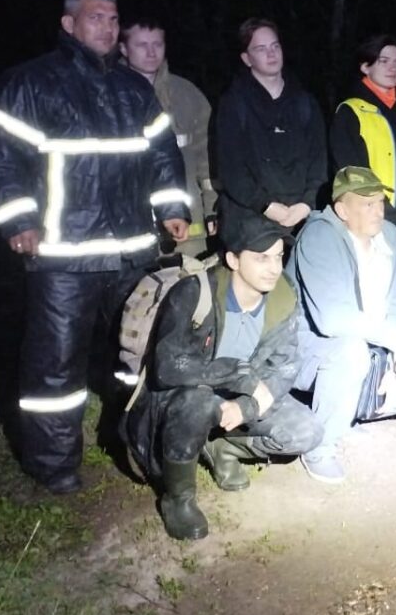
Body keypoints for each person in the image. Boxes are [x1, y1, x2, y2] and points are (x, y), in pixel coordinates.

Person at [0, 0, 190, 494]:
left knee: (135, 354)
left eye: (114, 18)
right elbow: (1, 159)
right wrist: (18, 222)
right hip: (63, 257)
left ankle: (130, 439)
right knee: (54, 367)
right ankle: (54, 467)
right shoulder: (30, 82)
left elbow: (162, 153)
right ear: (69, 25)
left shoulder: (132, 88)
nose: (108, 27)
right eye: (96, 18)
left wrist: (173, 208)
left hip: (130, 252)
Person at [123, 210, 321, 540]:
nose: (274, 268)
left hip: (238, 396)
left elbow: (285, 366)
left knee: (307, 431)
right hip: (186, 396)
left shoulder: (283, 296)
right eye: (261, 258)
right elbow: (168, 366)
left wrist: (247, 407)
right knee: (197, 403)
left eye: (278, 256)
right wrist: (234, 374)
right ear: (232, 259)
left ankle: (222, 449)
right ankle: (178, 499)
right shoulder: (193, 293)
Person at [290, 166, 396, 483]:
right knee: (350, 354)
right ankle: (319, 447)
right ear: (341, 209)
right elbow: (331, 321)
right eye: (367, 204)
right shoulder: (319, 235)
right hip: (305, 348)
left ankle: (347, 413)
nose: (379, 211)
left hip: (372, 345)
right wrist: (393, 341)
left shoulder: (388, 235)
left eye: (380, 202)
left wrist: (395, 360)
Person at [215, 18, 327, 240]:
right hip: (252, 223)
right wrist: (265, 205)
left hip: (301, 220)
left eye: (275, 46)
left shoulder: (305, 102)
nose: (271, 53)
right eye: (261, 48)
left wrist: (307, 203)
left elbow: (319, 159)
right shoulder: (233, 103)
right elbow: (230, 169)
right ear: (247, 58)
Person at [120, 19, 216, 256]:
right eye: (142, 45)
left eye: (157, 44)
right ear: (123, 48)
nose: (151, 52)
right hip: (130, 232)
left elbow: (207, 158)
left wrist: (212, 208)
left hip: (188, 229)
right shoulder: (109, 96)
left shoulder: (187, 95)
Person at [330, 34, 396, 242]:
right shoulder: (351, 112)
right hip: (372, 223)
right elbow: (353, 175)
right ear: (365, 67)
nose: (392, 68)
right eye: (383, 61)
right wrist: (395, 219)